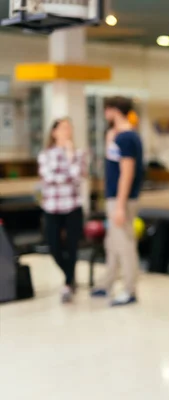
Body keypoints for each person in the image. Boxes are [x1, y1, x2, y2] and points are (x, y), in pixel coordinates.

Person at [91, 97, 144, 306]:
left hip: (122, 198)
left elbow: (126, 173)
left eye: (106, 110)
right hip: (114, 197)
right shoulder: (120, 136)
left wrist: (120, 205)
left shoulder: (127, 138)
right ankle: (107, 283)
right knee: (112, 243)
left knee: (125, 244)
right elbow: (111, 163)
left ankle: (130, 289)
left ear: (114, 110)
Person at [37, 118, 87, 303]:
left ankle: (68, 283)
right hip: (52, 206)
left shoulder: (78, 153)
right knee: (54, 246)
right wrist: (66, 173)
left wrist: (70, 154)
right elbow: (48, 177)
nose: (68, 131)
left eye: (70, 127)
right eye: (64, 127)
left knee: (72, 246)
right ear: (54, 132)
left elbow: (76, 177)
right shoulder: (45, 154)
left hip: (73, 205)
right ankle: (69, 275)